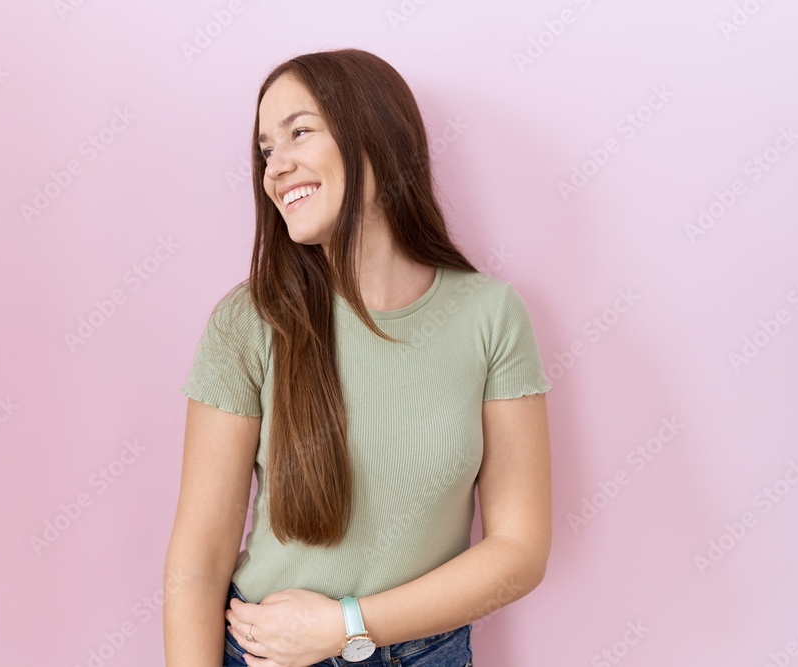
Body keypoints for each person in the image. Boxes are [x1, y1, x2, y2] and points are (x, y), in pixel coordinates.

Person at [163, 47, 553, 667]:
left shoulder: (491, 315)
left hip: (427, 653)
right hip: (268, 653)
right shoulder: (248, 321)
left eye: (299, 132)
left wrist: (345, 626)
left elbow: (519, 548)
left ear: (376, 138)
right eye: (266, 150)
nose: (275, 167)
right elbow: (198, 561)